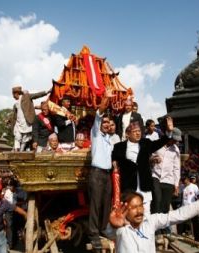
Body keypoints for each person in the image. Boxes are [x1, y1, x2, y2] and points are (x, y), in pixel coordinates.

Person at [109, 190, 199, 253]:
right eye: (133, 207)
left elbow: (180, 214)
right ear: (124, 208)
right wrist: (113, 226)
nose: (139, 211)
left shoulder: (151, 221)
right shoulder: (120, 228)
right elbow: (108, 233)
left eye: (140, 206)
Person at [112, 116, 175, 216]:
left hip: (144, 186)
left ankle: (147, 232)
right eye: (135, 131)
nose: (138, 133)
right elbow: (114, 161)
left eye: (139, 131)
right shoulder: (119, 147)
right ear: (128, 134)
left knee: (146, 214)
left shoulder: (146, 143)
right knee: (130, 214)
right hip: (129, 187)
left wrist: (169, 132)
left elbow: (160, 142)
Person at [87, 88, 115, 250]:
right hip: (96, 174)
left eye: (107, 123)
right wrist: (106, 98)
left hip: (107, 174)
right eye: (103, 122)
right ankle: (93, 233)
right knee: (96, 204)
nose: (105, 124)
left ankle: (104, 229)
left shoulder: (109, 139)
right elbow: (100, 113)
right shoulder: (95, 133)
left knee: (106, 204)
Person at [151, 127, 182, 220]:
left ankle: (163, 229)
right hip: (155, 175)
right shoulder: (156, 144)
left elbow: (177, 168)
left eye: (176, 140)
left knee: (165, 205)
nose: (175, 142)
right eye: (174, 139)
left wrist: (176, 184)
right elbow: (147, 156)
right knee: (157, 200)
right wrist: (152, 159)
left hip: (169, 179)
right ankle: (155, 228)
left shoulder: (176, 149)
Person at [11, 85, 50, 152]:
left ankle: (21, 151)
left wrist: (47, 91)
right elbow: (14, 115)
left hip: (27, 123)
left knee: (25, 140)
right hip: (18, 124)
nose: (13, 96)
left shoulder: (26, 96)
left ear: (16, 93)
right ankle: (16, 150)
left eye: (13, 94)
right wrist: (9, 120)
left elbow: (37, 95)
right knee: (17, 137)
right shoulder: (15, 104)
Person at [182, 174, 199, 241]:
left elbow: (198, 195)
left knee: (195, 222)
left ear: (187, 179)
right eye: (182, 181)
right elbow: (184, 199)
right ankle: (189, 234)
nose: (183, 182)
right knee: (187, 222)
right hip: (185, 208)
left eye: (184, 180)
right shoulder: (184, 188)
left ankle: (197, 238)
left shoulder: (194, 186)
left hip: (193, 207)